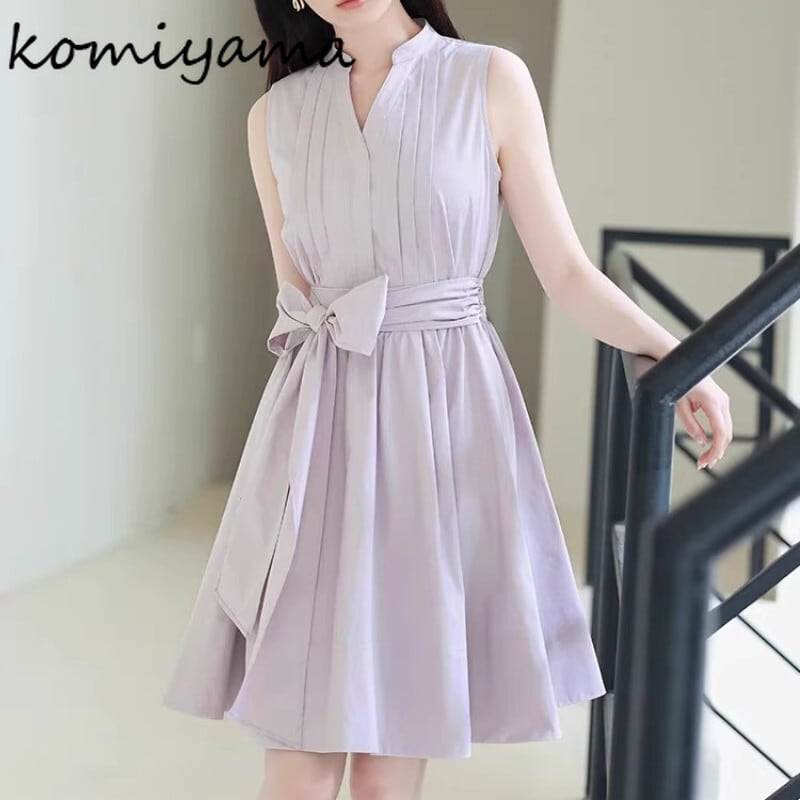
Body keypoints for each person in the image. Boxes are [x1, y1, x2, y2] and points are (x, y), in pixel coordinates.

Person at [162, 2, 733, 798]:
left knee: (386, 771)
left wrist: (680, 359)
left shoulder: (488, 80)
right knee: (295, 770)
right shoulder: (274, 118)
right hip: (319, 431)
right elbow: (297, 302)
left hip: (438, 428)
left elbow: (567, 272)